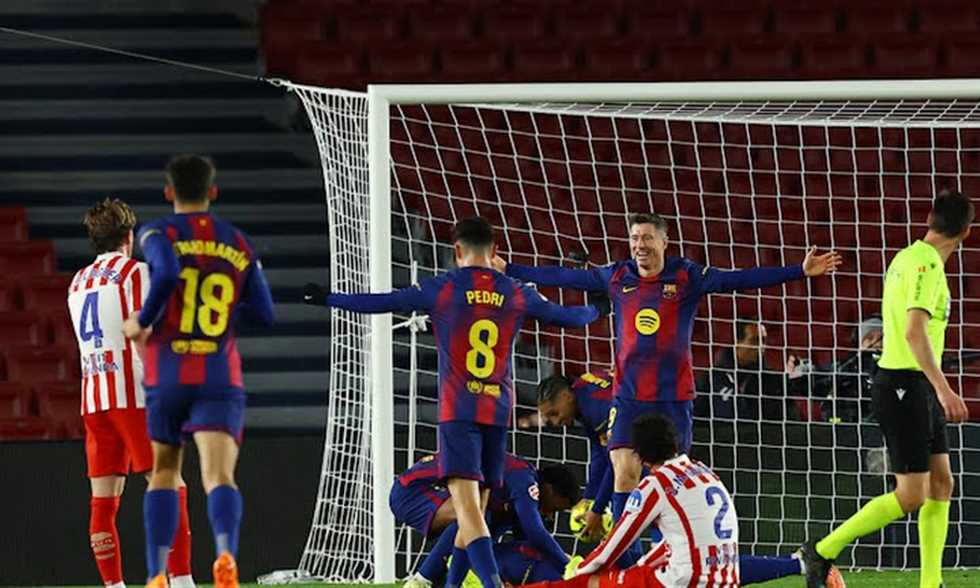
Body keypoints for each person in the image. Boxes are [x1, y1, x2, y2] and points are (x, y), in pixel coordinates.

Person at [303, 216, 606, 588]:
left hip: (460, 411)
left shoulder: (444, 287)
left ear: (457, 250)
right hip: (498, 411)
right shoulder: (515, 291)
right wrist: (599, 309)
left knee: (469, 510)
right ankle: (440, 582)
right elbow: (570, 318)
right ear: (495, 251)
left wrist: (329, 298)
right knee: (478, 508)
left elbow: (385, 301)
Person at [493, 212, 841, 535]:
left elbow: (739, 279)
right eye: (634, 238)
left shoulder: (687, 276)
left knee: (671, 479)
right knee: (624, 473)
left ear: (664, 241)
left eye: (647, 238)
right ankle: (627, 562)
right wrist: (510, 268)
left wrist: (798, 271)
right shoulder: (617, 276)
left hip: (673, 397)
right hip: (628, 396)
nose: (639, 245)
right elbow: (565, 276)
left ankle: (675, 550)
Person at [801, 190, 974, 588]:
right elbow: (914, 332)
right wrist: (945, 390)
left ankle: (931, 582)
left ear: (929, 218)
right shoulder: (928, 266)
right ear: (967, 231)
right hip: (904, 385)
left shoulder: (905, 257)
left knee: (942, 483)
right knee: (912, 495)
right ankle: (822, 550)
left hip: (914, 384)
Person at [123, 155, 276, 588]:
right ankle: (225, 553)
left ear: (168, 191)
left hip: (168, 370)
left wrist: (143, 321)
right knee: (219, 476)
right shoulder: (239, 242)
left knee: (164, 473)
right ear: (213, 192)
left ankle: (156, 573)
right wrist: (221, 318)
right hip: (218, 374)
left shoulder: (157, 232)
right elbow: (265, 315)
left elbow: (167, 273)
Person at [521, 414, 846, 588]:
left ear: (640, 455)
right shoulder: (703, 471)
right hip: (724, 578)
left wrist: (578, 569)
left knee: (590, 584)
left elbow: (616, 544)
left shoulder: (656, 485)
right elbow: (670, 548)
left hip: (684, 582)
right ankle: (801, 563)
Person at [68, 199, 196, 588]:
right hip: (134, 396)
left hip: (94, 399)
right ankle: (182, 582)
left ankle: (114, 586)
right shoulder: (135, 273)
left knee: (103, 500)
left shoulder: (77, 282)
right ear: (128, 236)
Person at [392, 453, 581, 587]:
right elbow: (535, 532)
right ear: (549, 489)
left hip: (434, 493)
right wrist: (568, 567)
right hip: (412, 492)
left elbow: (527, 545)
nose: (550, 516)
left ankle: (457, 574)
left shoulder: (514, 492)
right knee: (474, 514)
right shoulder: (525, 480)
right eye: (555, 509)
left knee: (489, 517)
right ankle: (422, 580)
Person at [537, 370, 614, 543]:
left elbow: (616, 462)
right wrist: (589, 498)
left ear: (566, 396)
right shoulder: (582, 393)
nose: (555, 422)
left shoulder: (595, 407)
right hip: (651, 420)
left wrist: (598, 508)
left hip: (660, 423)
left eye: (554, 413)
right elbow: (599, 452)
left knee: (625, 494)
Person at [694, 319, 796, 422]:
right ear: (738, 342)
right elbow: (698, 420)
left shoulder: (773, 382)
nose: (761, 346)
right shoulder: (710, 380)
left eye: (763, 340)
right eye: (755, 340)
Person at [786, 317, 883, 423]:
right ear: (860, 344)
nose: (876, 344)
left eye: (881, 338)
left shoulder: (893, 370)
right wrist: (799, 371)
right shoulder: (846, 367)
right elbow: (816, 378)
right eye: (870, 338)